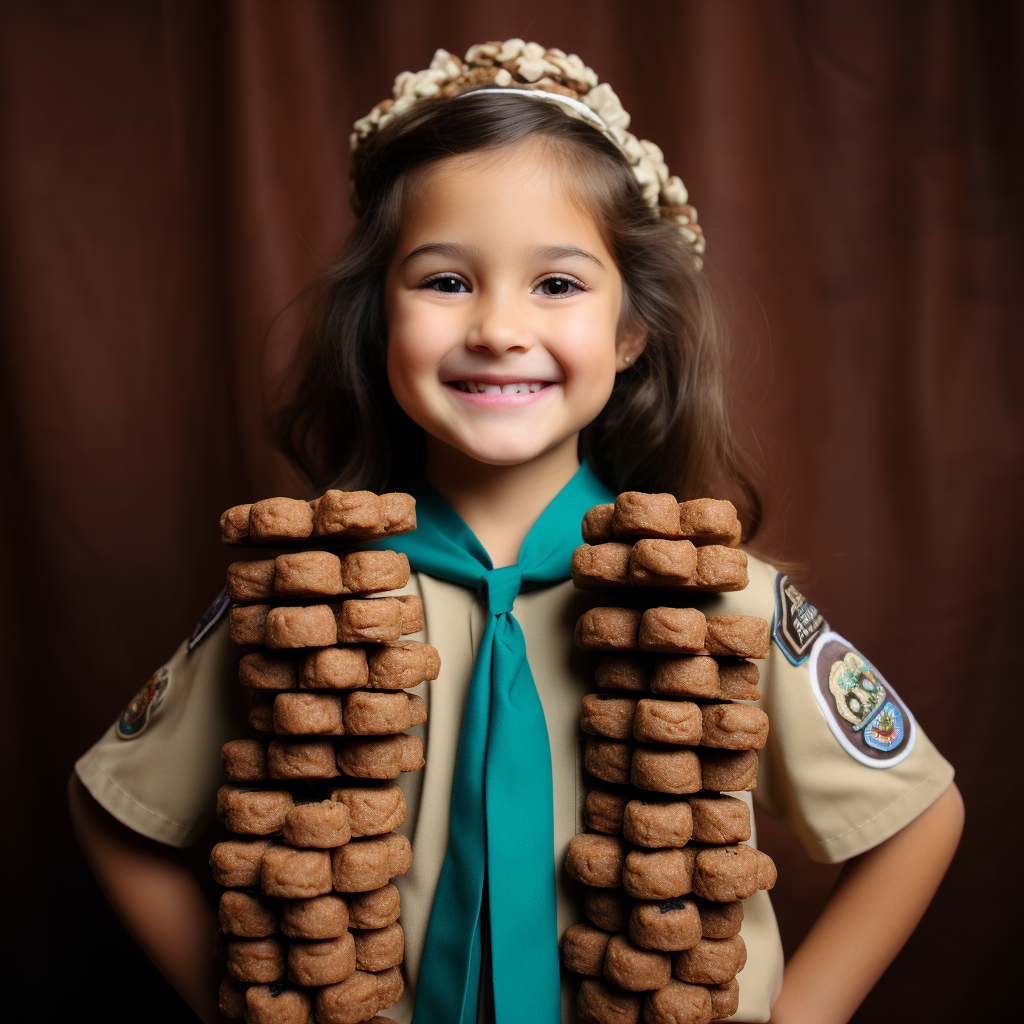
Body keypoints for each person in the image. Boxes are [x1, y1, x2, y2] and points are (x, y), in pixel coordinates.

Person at [68, 41, 963, 1024]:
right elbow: (117, 808)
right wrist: (243, 999)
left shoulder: (716, 601)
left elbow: (916, 817)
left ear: (631, 333)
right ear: (376, 324)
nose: (497, 327)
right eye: (445, 281)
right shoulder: (300, 608)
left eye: (557, 284)